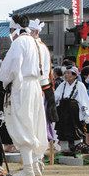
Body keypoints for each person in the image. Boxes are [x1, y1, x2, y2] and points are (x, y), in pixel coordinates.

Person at [0, 15, 48, 176]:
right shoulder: (35, 42)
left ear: (16, 28)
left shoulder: (19, 42)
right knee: (31, 123)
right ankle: (34, 166)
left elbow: (11, 68)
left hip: (22, 85)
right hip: (34, 85)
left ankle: (28, 168)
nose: (10, 32)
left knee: (22, 123)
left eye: (11, 29)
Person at [29, 19, 58, 159]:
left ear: (34, 32)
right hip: (43, 86)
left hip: (38, 87)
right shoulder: (41, 46)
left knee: (36, 121)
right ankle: (36, 156)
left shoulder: (36, 46)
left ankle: (36, 156)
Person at [54, 66, 89, 153]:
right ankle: (64, 150)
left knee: (76, 131)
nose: (66, 75)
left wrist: (86, 115)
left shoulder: (80, 85)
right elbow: (55, 97)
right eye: (66, 73)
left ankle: (77, 149)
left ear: (75, 75)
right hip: (63, 113)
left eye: (69, 73)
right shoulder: (62, 85)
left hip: (75, 114)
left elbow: (84, 100)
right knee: (63, 132)